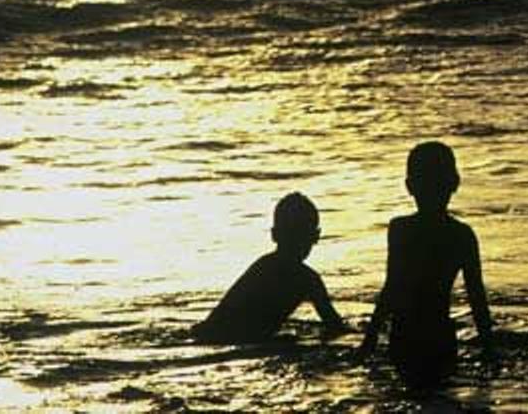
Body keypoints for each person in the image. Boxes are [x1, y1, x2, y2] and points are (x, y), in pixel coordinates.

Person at [358, 141, 493, 385]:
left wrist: (370, 338)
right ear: (454, 183)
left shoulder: (400, 229)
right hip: (440, 337)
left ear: (410, 186)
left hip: (404, 335)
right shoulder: (461, 235)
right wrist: (489, 348)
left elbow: (392, 287)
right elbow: (476, 297)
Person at [192, 192, 350, 343]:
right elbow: (335, 326)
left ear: (274, 234)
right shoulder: (308, 279)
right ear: (315, 237)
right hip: (232, 338)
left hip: (214, 335)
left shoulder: (262, 266)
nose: (296, 243)